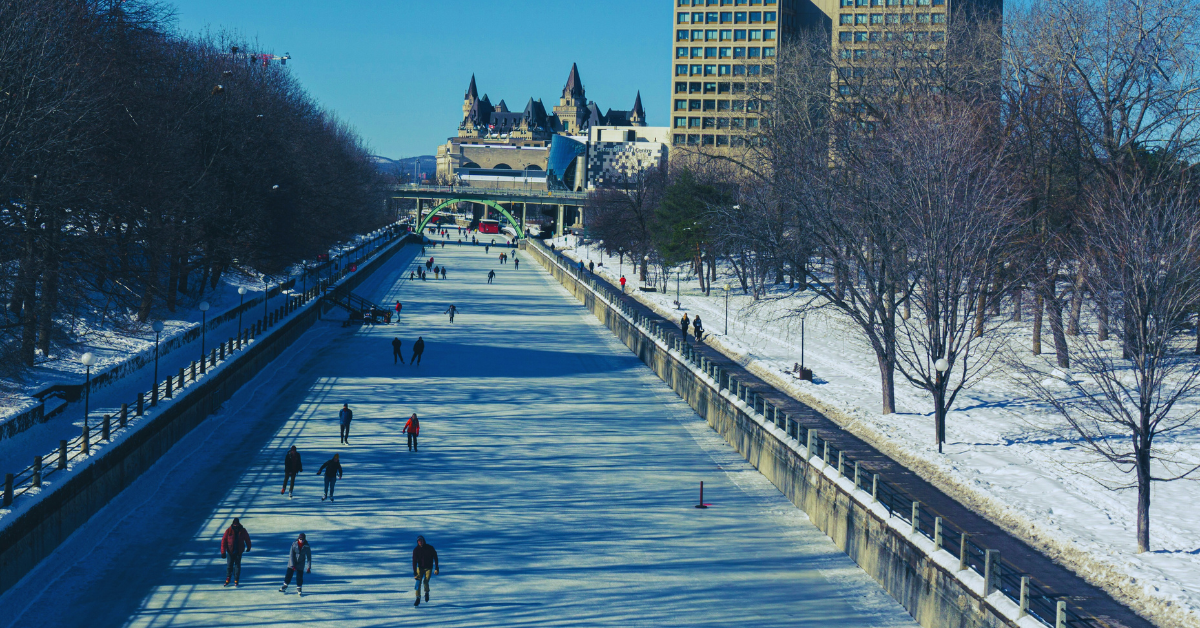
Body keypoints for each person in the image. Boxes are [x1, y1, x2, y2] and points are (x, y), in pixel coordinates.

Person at [220, 518, 252, 587]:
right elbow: (224, 541)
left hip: (238, 551)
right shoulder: (228, 530)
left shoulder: (243, 530)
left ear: (238, 523)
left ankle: (236, 579)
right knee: (229, 565)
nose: (235, 525)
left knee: (237, 566)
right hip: (230, 551)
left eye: (236, 524)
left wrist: (249, 547)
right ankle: (228, 578)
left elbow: (247, 539)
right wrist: (223, 552)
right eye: (234, 524)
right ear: (233, 523)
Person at [412, 535, 439, 606]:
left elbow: (435, 557)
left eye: (421, 541)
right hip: (420, 568)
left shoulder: (430, 548)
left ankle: (427, 593)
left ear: (424, 541)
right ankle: (418, 598)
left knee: (425, 582)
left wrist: (436, 568)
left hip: (428, 568)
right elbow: (414, 561)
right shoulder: (416, 550)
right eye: (419, 541)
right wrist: (415, 572)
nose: (420, 542)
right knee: (418, 582)